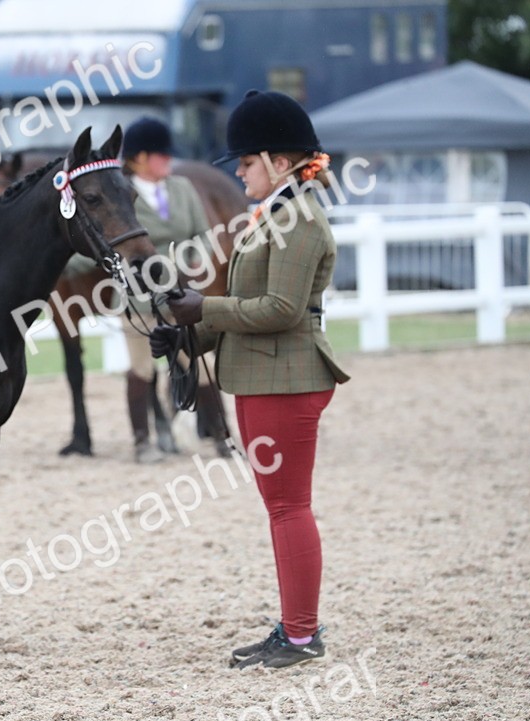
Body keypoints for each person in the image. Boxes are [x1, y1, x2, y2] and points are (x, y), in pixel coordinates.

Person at [157, 90, 350, 669]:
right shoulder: (274, 216)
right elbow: (247, 304)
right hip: (267, 377)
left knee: (289, 507)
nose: (239, 174)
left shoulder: (300, 221)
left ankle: (299, 635)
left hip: (286, 379)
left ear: (278, 161)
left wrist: (203, 310)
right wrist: (188, 338)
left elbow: (280, 310)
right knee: (282, 507)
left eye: (245, 163)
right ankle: (295, 627)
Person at [86, 116, 213, 463]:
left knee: (203, 363)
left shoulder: (182, 188)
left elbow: (202, 234)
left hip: (181, 295)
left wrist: (193, 257)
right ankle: (143, 442)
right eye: (162, 155)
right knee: (142, 369)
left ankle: (221, 437)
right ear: (141, 157)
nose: (169, 161)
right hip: (137, 296)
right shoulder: (120, 191)